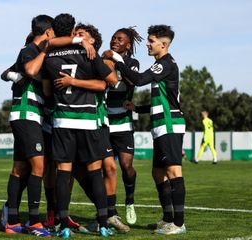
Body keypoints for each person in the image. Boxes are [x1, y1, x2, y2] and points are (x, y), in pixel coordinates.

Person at [106, 25, 187, 235]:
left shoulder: (165, 63)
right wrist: (138, 108)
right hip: (161, 126)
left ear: (163, 44)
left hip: (169, 125)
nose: (148, 45)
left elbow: (139, 79)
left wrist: (117, 59)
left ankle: (178, 223)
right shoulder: (161, 64)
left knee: (173, 172)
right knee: (158, 173)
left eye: (151, 41)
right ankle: (167, 218)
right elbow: (162, 99)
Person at [43, 13, 116, 238]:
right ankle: (104, 224)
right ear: (73, 29)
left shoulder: (49, 55)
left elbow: (46, 92)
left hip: (63, 120)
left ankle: (63, 226)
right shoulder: (88, 52)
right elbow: (110, 81)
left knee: (63, 174)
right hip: (87, 121)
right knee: (95, 172)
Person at [54, 23, 130, 233]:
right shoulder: (71, 55)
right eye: (75, 34)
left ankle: (108, 214)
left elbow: (108, 81)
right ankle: (74, 216)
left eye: (81, 34)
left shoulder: (97, 58)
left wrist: (73, 81)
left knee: (108, 167)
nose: (77, 37)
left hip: (96, 122)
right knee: (72, 173)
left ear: (92, 40)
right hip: (77, 122)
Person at [1, 14, 54, 237]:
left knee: (20, 168)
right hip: (26, 114)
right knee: (38, 168)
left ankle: (11, 219)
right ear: (48, 32)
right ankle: (34, 221)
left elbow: (6, 73)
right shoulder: (31, 50)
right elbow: (28, 71)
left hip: (32, 116)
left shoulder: (34, 53)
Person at [103, 27, 143, 225]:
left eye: (119, 39)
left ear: (128, 45)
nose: (114, 41)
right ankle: (111, 210)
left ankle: (130, 200)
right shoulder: (104, 59)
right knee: (108, 168)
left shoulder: (131, 63)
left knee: (126, 166)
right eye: (113, 38)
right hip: (104, 123)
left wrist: (117, 60)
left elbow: (131, 81)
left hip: (123, 123)